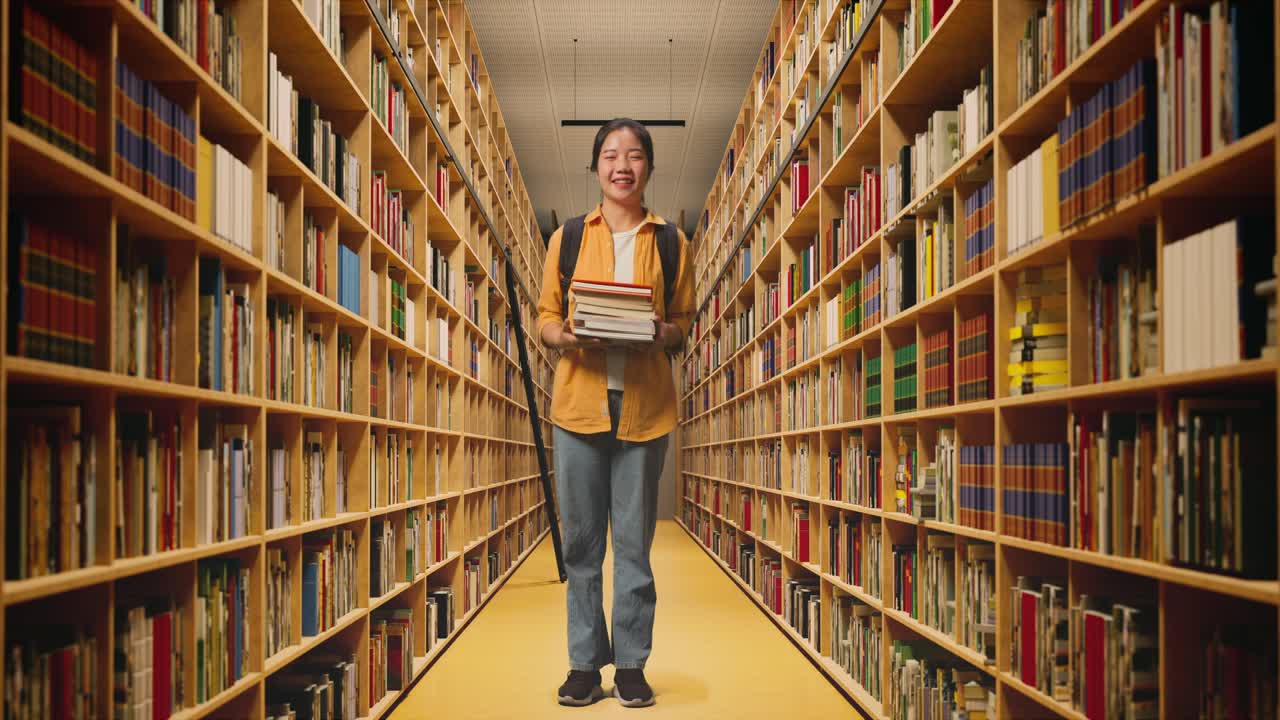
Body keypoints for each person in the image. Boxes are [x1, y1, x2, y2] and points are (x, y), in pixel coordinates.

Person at [535, 118, 694, 708]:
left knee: (633, 545)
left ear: (648, 167)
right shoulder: (569, 238)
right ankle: (583, 664)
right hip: (578, 406)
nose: (621, 164)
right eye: (609, 154)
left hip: (645, 410)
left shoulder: (673, 242)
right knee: (581, 546)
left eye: (633, 155)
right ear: (596, 167)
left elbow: (684, 324)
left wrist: (662, 333)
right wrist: (567, 335)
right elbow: (546, 316)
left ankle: (629, 663)